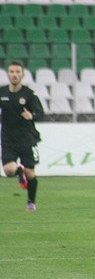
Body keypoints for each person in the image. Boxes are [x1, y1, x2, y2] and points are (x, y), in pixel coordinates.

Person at [1, 61, 44, 212]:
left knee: (31, 173)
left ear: (22, 75)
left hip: (27, 139)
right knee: (7, 170)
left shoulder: (29, 94)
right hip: (8, 139)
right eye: (12, 72)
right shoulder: (2, 93)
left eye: (17, 72)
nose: (14, 74)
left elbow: (41, 114)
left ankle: (31, 202)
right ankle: (19, 171)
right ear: (8, 74)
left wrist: (31, 115)